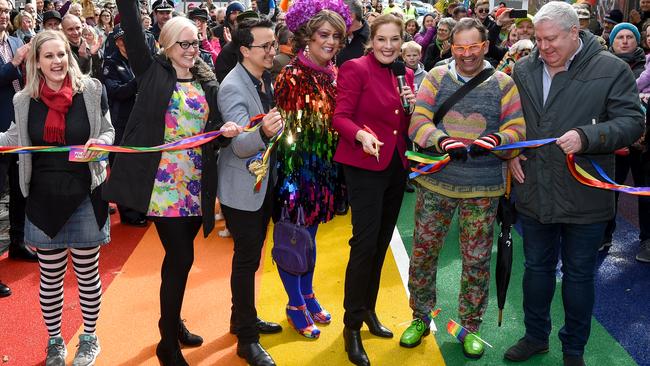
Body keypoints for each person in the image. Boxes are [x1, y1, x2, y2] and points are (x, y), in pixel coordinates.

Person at [504, 3, 645, 366]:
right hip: (535, 189)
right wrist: (511, 153)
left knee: (579, 275)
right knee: (535, 269)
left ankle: (574, 349)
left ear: (573, 32)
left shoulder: (611, 69)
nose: (543, 47)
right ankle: (535, 336)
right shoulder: (523, 68)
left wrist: (588, 136)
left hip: (586, 192)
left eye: (551, 39)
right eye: (538, 39)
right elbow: (511, 120)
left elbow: (632, 122)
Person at [103, 0, 242, 364]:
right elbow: (133, 29)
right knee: (181, 257)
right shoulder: (151, 72)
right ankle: (167, 341)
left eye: (196, 42)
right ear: (165, 46)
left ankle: (172, 320)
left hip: (198, 184)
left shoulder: (205, 77)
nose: (193, 49)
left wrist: (224, 131)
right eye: (184, 43)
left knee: (178, 260)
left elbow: (216, 128)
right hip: (163, 187)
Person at [405, 17, 525, 359]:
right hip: (436, 183)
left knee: (475, 261)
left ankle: (470, 327)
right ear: (451, 47)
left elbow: (518, 130)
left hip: (483, 188)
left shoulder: (504, 83)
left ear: (486, 46)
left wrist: (498, 139)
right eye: (460, 47)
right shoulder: (437, 77)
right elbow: (418, 121)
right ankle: (420, 316)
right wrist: (441, 140)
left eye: (474, 47)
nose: (467, 54)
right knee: (424, 253)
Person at [0, 29, 114, 366]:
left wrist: (101, 145)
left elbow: (108, 130)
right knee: (49, 279)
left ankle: (89, 339)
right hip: (42, 199)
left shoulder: (92, 91)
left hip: (85, 195)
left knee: (86, 274)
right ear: (36, 61)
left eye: (61, 54)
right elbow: (12, 137)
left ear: (70, 55)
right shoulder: (24, 100)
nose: (57, 62)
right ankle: (55, 343)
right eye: (48, 56)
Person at [333, 13, 415, 366]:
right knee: (364, 245)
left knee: (380, 243)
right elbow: (340, 116)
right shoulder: (355, 68)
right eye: (382, 39)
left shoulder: (406, 74)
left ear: (402, 41)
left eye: (394, 40)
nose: (388, 46)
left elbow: (403, 123)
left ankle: (367, 309)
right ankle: (351, 324)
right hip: (364, 166)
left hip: (396, 165)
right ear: (371, 40)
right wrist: (360, 134)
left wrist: (412, 107)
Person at [274, 0, 350, 339]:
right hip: (296, 174)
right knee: (294, 240)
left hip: (324, 172)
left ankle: (307, 293)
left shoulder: (333, 73)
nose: (330, 42)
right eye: (323, 34)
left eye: (336, 36)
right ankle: (294, 305)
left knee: (312, 238)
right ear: (307, 36)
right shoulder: (291, 76)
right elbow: (290, 135)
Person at [217, 17, 284, 366]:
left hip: (259, 185)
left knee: (251, 257)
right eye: (266, 46)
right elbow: (241, 144)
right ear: (245, 50)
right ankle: (247, 339)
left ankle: (241, 317)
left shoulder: (260, 78)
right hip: (241, 189)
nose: (272, 50)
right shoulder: (232, 87)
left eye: (274, 44)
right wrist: (265, 132)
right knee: (246, 261)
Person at [601, 22, 650, 262]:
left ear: (637, 40)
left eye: (630, 36)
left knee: (645, 191)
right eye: (619, 36)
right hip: (614, 139)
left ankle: (648, 240)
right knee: (608, 189)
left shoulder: (647, 65)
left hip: (643, 142)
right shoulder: (602, 65)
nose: (624, 40)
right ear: (611, 42)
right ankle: (603, 235)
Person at [0, 0, 37, 292]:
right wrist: (14, 64)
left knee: (20, 188)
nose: (1, 16)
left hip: (20, 127)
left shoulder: (16, 40)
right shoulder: (14, 52)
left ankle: (18, 242)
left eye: (3, 11)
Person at [337, 0, 369, 67]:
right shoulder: (338, 35)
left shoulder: (372, 39)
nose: (335, 19)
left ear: (350, 16)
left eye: (338, 15)